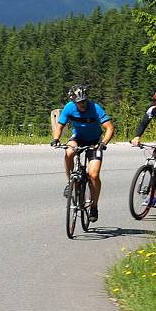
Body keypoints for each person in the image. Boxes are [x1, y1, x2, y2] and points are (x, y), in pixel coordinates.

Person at [51, 84, 114, 222]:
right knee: (68, 152)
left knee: (94, 174)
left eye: (84, 101)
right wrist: (56, 139)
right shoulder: (69, 108)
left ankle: (94, 206)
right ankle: (70, 181)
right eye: (79, 102)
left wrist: (103, 143)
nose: (83, 104)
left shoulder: (95, 108)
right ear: (74, 101)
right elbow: (60, 125)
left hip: (94, 141)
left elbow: (109, 128)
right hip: (78, 138)